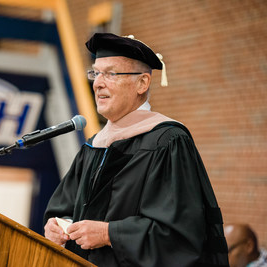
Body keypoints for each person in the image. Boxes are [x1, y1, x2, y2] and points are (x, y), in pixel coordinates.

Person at [43, 32, 229, 267]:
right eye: (95, 72)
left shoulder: (168, 142)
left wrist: (109, 234)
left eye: (110, 73)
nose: (98, 82)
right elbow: (64, 207)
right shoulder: (95, 145)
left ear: (142, 83)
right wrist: (57, 225)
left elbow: (180, 235)